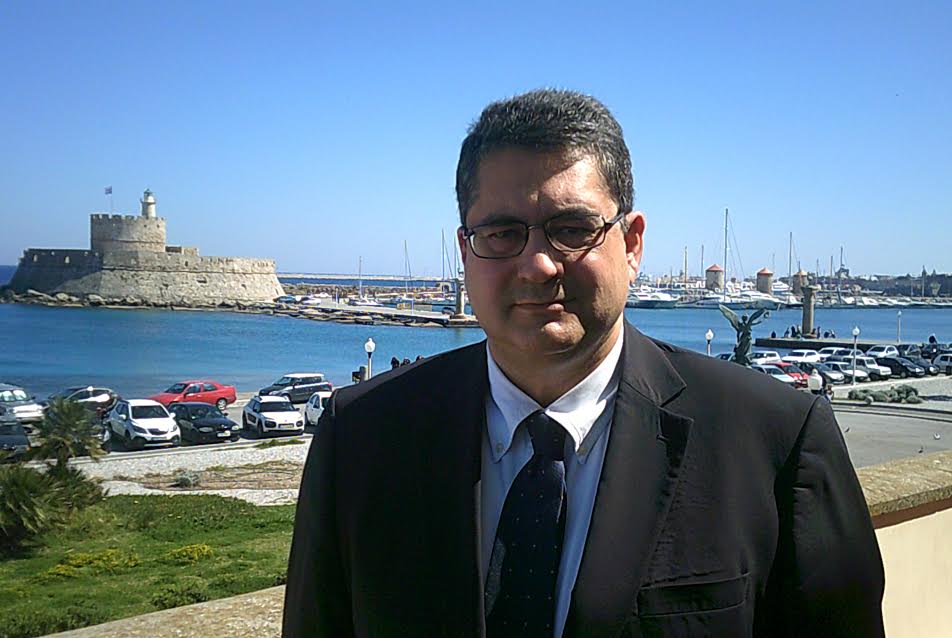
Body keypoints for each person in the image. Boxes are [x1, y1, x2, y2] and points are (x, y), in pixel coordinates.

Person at [283, 89, 884, 637]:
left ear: (633, 244)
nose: (538, 264)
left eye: (572, 229)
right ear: (465, 251)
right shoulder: (361, 435)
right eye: (502, 233)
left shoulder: (775, 441)